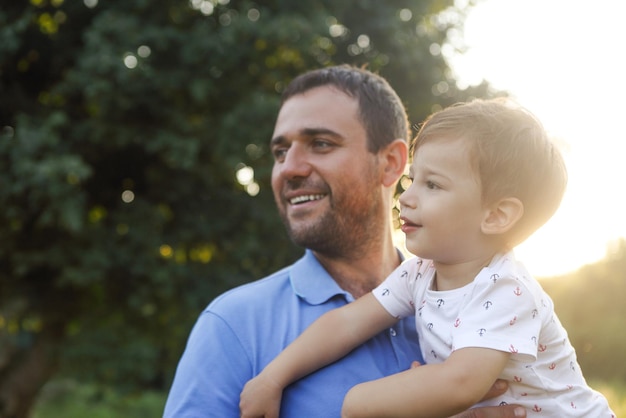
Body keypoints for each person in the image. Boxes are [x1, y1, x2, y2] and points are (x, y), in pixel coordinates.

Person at [163, 65, 528, 417]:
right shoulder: (233, 325)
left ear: (389, 163)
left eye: (320, 144)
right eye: (279, 152)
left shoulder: (487, 299)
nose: (289, 167)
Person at [239, 98, 616, 417]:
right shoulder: (418, 273)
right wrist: (274, 376)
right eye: (412, 179)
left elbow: (460, 383)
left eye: (432, 184)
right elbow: (348, 322)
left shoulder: (505, 289)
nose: (406, 197)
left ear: (495, 216)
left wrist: (357, 402)